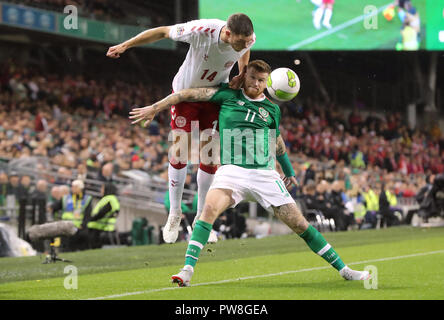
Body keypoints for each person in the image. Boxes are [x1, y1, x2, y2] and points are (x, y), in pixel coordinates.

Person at [129, 59, 370, 286]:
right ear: (245, 76)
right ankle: (187, 270)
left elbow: (277, 141)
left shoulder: (272, 110)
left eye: (261, 80)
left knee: (300, 225)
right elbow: (187, 94)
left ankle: (344, 270)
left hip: (264, 175)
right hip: (231, 172)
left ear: (267, 82)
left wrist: (288, 170)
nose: (256, 84)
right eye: (252, 78)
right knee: (208, 210)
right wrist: (156, 107)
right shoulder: (227, 95)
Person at [107, 13, 255, 244]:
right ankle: (174, 213)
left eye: (248, 41)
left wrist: (242, 72)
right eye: (240, 41)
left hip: (214, 96)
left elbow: (245, 51)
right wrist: (126, 45)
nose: (245, 44)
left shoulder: (247, 39)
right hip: (185, 95)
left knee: (209, 157)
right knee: (180, 152)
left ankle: (200, 219)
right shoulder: (201, 31)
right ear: (227, 33)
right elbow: (162, 31)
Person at [87, 182, 120, 249]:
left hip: (100, 228)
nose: (101, 190)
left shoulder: (109, 199)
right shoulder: (111, 199)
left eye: (102, 188)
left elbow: (102, 213)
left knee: (94, 248)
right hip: (101, 227)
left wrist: (91, 219)